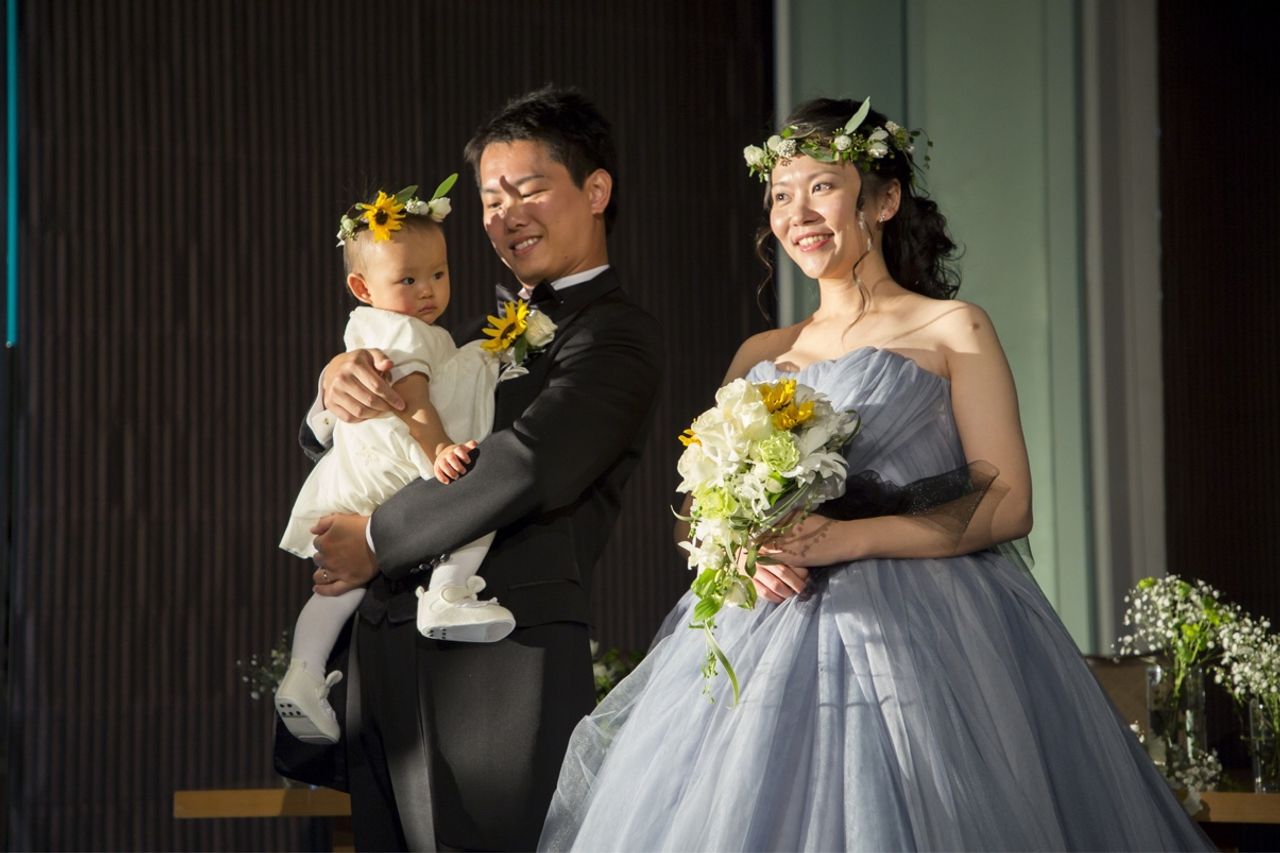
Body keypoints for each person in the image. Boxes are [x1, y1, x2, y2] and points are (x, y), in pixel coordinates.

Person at [538, 97, 1212, 851]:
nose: (797, 213)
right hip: (763, 630)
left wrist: (846, 539)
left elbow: (1006, 500)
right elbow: (693, 516)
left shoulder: (952, 328)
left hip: (927, 629)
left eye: (822, 187)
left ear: (884, 200)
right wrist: (737, 554)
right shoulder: (761, 353)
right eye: (780, 196)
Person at [304, 86, 664, 850]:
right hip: (384, 659)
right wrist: (332, 392)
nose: (506, 215)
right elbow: (374, 438)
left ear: (596, 190)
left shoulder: (616, 335)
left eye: (528, 189)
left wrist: (375, 536)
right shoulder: (457, 335)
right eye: (491, 200)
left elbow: (529, 462)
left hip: (499, 673)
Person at [275, 178, 517, 745]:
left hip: (356, 475)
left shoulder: (387, 326)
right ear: (362, 287)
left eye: (439, 274)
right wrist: (440, 450)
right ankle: (448, 595)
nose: (428, 290)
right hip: (397, 458)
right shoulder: (401, 331)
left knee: (336, 587)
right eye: (408, 280)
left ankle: (303, 675)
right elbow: (413, 399)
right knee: (474, 507)